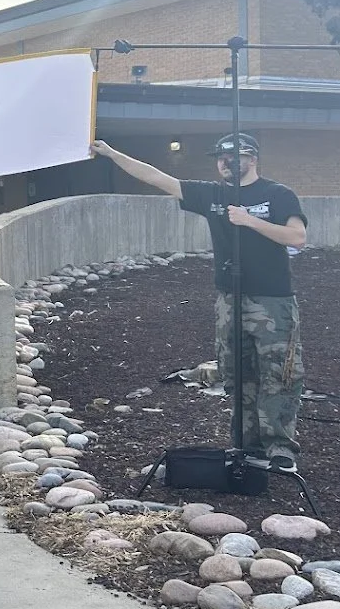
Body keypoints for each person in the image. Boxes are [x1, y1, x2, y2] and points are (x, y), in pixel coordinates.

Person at [91, 134, 308, 471]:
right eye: (220, 158)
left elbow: (297, 237)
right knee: (237, 373)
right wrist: (111, 153)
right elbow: (156, 177)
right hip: (229, 299)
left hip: (273, 299)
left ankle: (280, 448)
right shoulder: (212, 195)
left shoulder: (278, 194)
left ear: (252, 158)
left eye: (233, 157)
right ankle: (247, 445)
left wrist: (249, 220)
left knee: (279, 373)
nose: (225, 163)